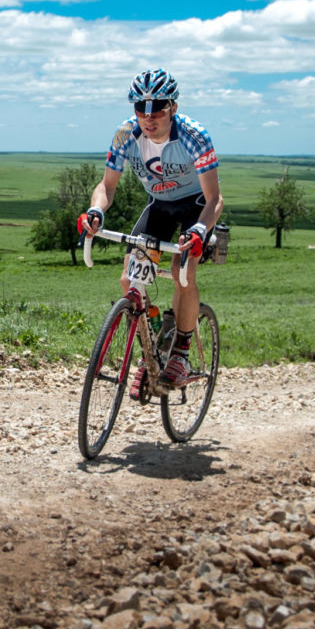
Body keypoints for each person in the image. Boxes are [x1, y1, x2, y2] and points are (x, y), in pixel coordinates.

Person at [78, 68, 223, 399]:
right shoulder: (125, 135)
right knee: (129, 280)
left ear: (172, 106)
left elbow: (215, 199)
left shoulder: (194, 136)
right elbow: (106, 186)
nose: (148, 116)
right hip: (159, 206)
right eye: (139, 108)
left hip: (195, 208)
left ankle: (182, 355)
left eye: (157, 107)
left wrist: (200, 230)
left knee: (180, 272)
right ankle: (152, 345)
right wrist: (96, 211)